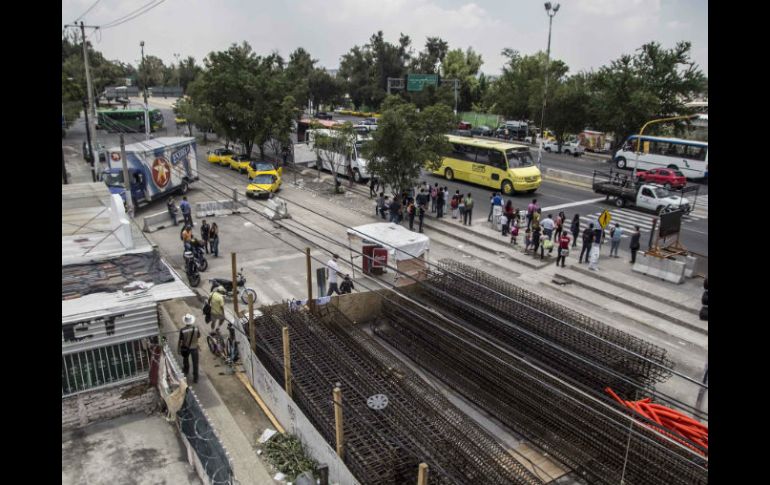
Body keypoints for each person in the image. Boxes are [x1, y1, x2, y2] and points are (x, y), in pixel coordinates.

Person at [178, 314, 201, 383]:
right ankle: (195, 378)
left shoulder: (182, 330)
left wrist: (179, 348)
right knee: (195, 363)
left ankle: (186, 370)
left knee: (185, 359)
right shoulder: (196, 328)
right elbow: (198, 336)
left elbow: (180, 341)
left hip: (186, 348)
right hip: (194, 347)